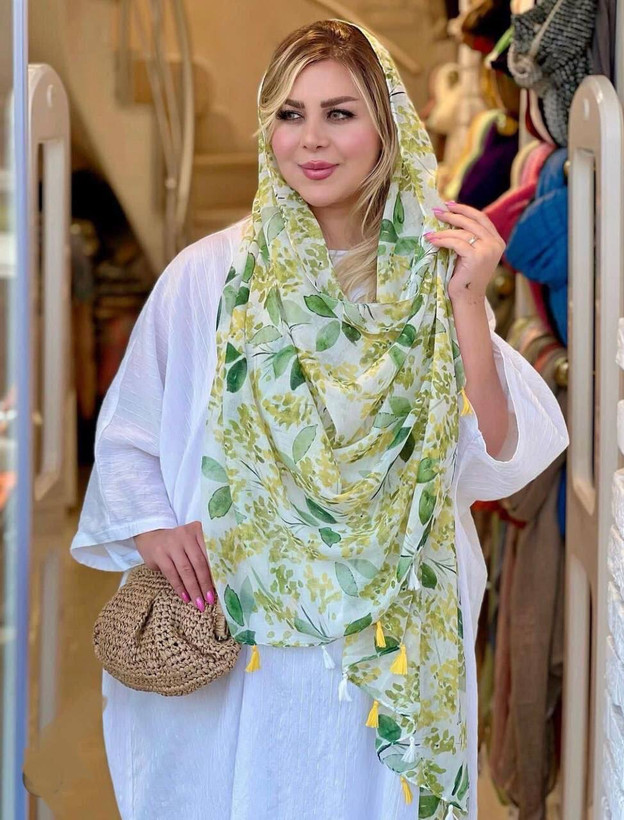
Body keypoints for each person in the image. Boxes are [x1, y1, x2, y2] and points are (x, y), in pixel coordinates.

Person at [71, 19, 568, 820]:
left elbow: (502, 447)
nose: (311, 139)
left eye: (340, 113)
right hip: (244, 628)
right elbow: (131, 432)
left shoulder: (431, 275)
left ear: (388, 126)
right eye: (290, 114)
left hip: (395, 639)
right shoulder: (211, 275)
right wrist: (152, 525)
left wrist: (471, 300)